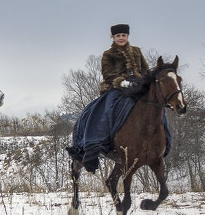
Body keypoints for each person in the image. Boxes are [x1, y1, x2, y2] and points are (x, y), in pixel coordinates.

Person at [67, 24, 170, 171]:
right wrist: (122, 81)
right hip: (116, 88)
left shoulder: (136, 51)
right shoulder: (108, 54)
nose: (121, 38)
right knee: (105, 108)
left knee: (157, 108)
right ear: (113, 37)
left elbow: (146, 70)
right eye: (118, 36)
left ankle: (164, 142)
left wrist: (144, 82)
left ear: (127, 36)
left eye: (123, 35)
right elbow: (107, 74)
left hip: (138, 87)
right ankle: (95, 143)